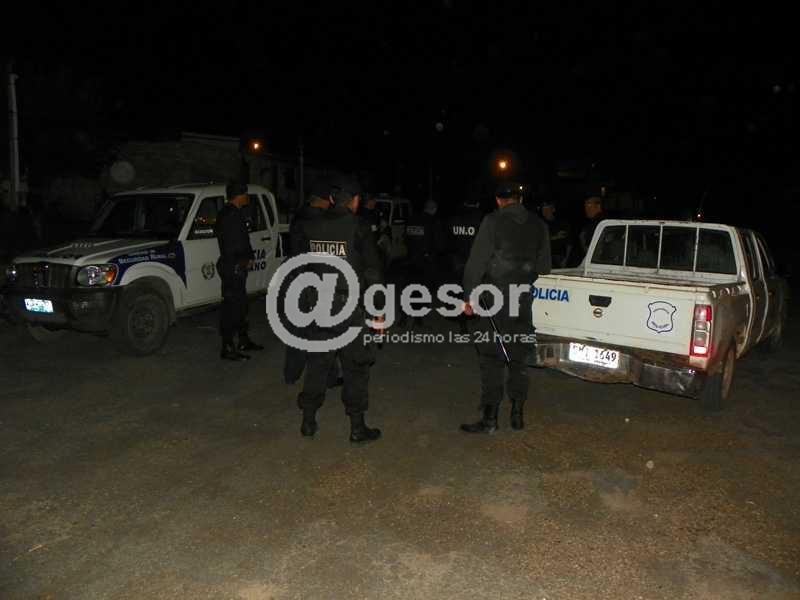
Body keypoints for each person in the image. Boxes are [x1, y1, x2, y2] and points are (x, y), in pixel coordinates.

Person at [292, 176, 385, 444]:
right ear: (355, 200)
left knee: (318, 365)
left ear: (332, 199)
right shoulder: (359, 227)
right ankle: (357, 428)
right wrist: (378, 311)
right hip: (349, 308)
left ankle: (308, 421)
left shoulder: (311, 225)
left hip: (319, 305)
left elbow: (300, 265)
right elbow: (373, 271)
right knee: (356, 367)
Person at [460, 182, 551, 434]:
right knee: (518, 357)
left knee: (491, 359)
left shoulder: (492, 221)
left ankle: (490, 419)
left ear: (499, 200)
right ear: (520, 199)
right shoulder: (539, 225)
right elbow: (544, 267)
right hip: (522, 300)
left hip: (493, 300)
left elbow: (475, 264)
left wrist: (468, 298)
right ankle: (517, 414)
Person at [283, 183, 343, 388]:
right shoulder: (318, 220)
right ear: (325, 201)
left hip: (297, 278)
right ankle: (328, 377)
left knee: (298, 329)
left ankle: (291, 374)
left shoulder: (300, 216)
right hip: (311, 281)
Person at [215, 181, 264, 361]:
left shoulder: (231, 213)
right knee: (232, 307)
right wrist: (243, 261)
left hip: (234, 266)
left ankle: (243, 340)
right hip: (233, 267)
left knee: (240, 305)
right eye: (245, 194)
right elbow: (233, 244)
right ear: (240, 196)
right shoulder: (231, 215)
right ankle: (227, 347)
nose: (247, 197)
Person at [403, 199, 445, 327]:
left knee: (409, 288)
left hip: (411, 260)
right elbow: (440, 244)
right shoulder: (433, 221)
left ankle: (404, 316)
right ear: (434, 209)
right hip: (426, 261)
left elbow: (406, 239)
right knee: (423, 290)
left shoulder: (412, 219)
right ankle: (418, 318)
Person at [444, 198, 483, 332]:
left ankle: (461, 320)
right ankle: (472, 316)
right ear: (476, 204)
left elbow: (447, 241)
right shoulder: (480, 220)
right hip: (474, 263)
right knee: (474, 291)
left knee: (458, 292)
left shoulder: (454, 218)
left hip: (456, 261)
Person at [539, 200, 574, 268]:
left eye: (547, 208)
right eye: (543, 209)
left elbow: (569, 243)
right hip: (545, 258)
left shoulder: (562, 224)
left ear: (553, 209)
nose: (545, 211)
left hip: (561, 257)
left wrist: (566, 259)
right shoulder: (539, 225)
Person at [577, 196, 605, 263]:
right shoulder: (592, 222)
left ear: (598, 206)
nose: (586, 209)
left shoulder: (598, 222)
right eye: (585, 206)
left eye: (589, 205)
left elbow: (590, 248)